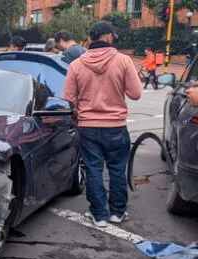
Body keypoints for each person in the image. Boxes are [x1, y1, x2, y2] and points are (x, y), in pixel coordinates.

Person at [63, 20, 142, 227]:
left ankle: (98, 215)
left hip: (87, 126)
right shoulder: (123, 61)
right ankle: (117, 212)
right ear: (108, 37)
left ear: (90, 39)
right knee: (117, 169)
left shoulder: (76, 65)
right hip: (116, 126)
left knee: (93, 169)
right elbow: (136, 94)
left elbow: (69, 97)